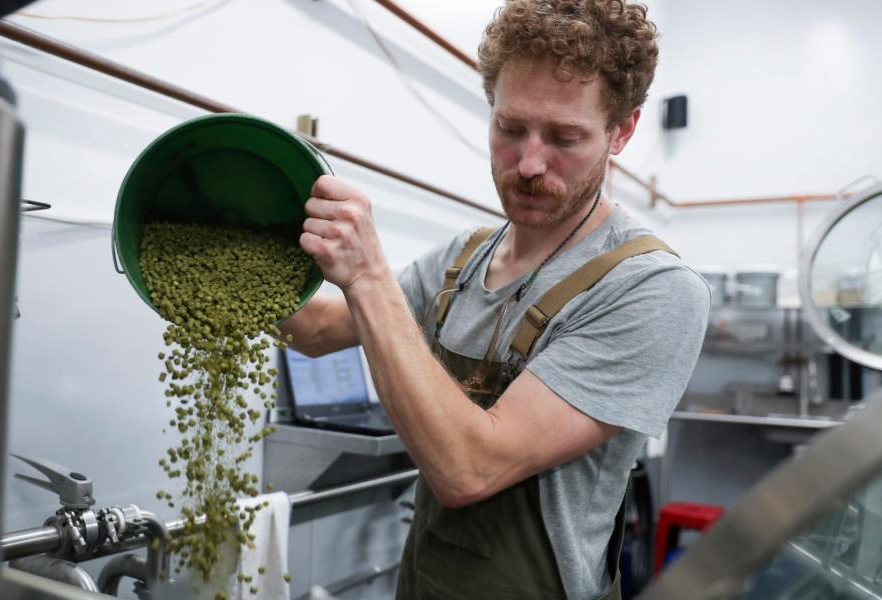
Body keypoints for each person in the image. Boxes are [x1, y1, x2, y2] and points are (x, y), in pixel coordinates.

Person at [279, 1, 710, 598]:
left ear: (623, 130)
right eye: (510, 128)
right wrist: (233, 254)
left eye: (564, 137)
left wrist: (369, 275)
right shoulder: (465, 258)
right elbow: (320, 328)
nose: (529, 164)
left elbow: (469, 468)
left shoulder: (650, 289)